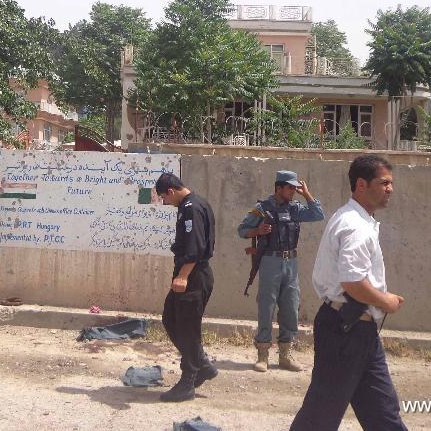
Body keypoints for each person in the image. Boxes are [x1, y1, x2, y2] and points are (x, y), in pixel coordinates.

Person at [290, 155, 407, 431]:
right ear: (362, 185)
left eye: (391, 183)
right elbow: (353, 281)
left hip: (358, 331)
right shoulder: (355, 225)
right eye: (384, 183)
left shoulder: (358, 219)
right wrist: (386, 301)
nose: (390, 188)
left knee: (383, 413)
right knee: (320, 415)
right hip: (346, 331)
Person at [237, 170, 324, 372]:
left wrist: (307, 194)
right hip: (270, 261)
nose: (293, 191)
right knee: (266, 307)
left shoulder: (295, 209)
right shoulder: (262, 209)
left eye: (295, 188)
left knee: (291, 308)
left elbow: (318, 214)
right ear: (278, 188)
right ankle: (263, 354)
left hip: (291, 263)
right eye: (290, 188)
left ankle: (285, 354)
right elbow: (242, 230)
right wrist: (257, 231)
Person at [154, 172, 217, 402]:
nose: (164, 202)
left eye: (163, 197)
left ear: (171, 191)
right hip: (189, 272)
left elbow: (196, 246)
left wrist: (182, 276)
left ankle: (188, 380)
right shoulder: (192, 205)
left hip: (193, 275)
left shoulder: (191, 207)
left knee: (188, 328)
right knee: (170, 318)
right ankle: (201, 363)